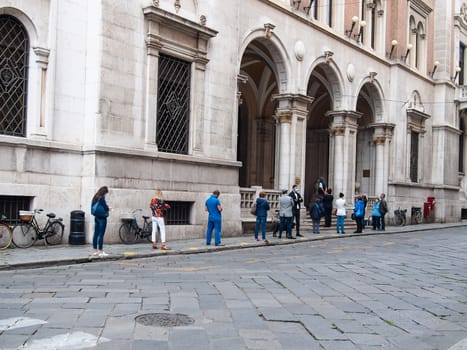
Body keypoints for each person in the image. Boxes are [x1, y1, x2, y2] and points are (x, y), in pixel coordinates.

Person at [91, 186, 110, 257]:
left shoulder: (95, 197)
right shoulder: (101, 198)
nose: (106, 195)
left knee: (96, 233)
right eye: (106, 193)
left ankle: (95, 250)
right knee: (101, 234)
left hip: (96, 217)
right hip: (102, 217)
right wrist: (109, 209)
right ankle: (100, 251)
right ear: (104, 192)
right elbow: (105, 207)